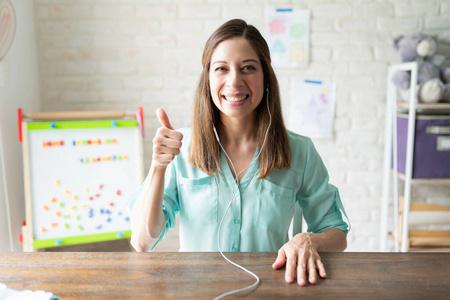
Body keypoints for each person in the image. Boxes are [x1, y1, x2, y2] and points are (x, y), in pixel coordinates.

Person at [128, 19, 350, 286]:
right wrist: (158, 166)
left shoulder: (299, 151)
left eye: (248, 68)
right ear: (207, 79)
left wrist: (309, 239)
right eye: (222, 68)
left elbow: (337, 233)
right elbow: (142, 241)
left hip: (270, 291)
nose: (235, 81)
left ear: (266, 78)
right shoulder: (181, 148)